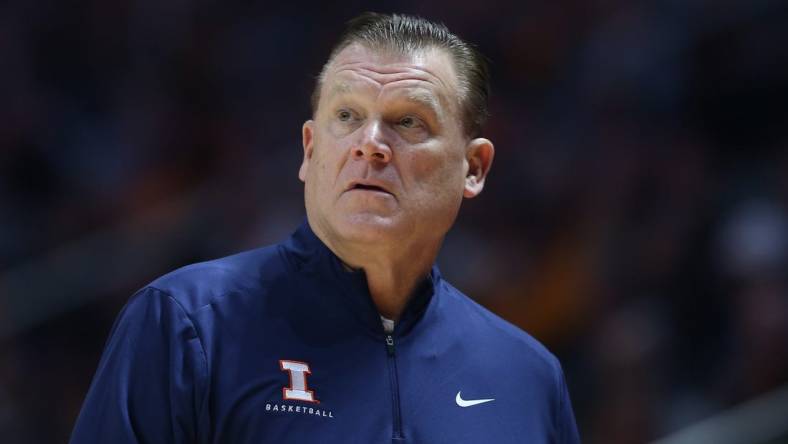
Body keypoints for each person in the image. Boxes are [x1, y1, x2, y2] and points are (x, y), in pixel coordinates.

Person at [70, 12, 580, 444]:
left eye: (409, 122)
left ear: (473, 168)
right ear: (311, 151)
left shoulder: (529, 377)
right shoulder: (186, 324)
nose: (370, 143)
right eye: (347, 115)